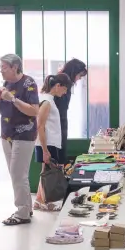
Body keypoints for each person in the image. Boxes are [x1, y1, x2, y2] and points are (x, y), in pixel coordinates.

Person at [0, 53, 40, 226]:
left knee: (17, 174)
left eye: (4, 67)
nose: (1, 71)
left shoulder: (29, 84)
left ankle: (22, 213)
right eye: (0, 67)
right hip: (7, 133)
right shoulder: (5, 84)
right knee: (18, 174)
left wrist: (13, 99)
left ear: (15, 67)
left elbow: (34, 111)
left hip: (24, 134)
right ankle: (26, 208)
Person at [33, 73, 72, 212]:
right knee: (48, 172)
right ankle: (45, 201)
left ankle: (39, 200)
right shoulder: (47, 102)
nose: (65, 92)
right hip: (47, 142)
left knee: (46, 171)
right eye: (65, 88)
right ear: (57, 86)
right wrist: (45, 149)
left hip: (49, 142)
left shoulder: (48, 99)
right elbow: (40, 126)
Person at [54, 59, 88, 163]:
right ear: (74, 72)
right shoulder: (62, 82)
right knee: (58, 155)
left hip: (60, 118)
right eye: (80, 75)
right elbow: (58, 105)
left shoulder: (63, 80)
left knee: (60, 152)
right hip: (57, 120)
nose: (79, 79)